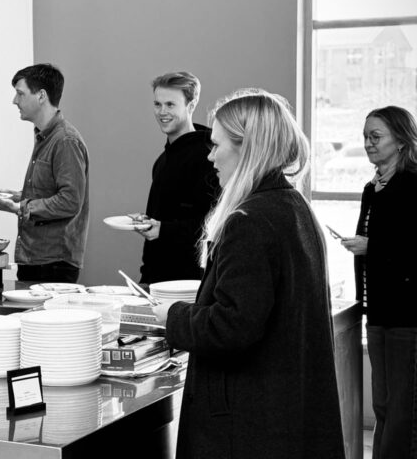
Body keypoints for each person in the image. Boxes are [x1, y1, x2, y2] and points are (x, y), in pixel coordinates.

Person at [153, 89, 345, 458]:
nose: (210, 157)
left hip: (248, 422)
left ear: (248, 149)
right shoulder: (293, 205)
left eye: (216, 145)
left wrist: (172, 316)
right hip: (285, 412)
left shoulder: (250, 221)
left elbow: (232, 326)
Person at [340, 105, 417, 459]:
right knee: (383, 404)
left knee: (402, 408)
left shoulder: (412, 184)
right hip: (379, 309)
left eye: (376, 136)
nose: (368, 143)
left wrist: (372, 246)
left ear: (401, 141)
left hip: (407, 312)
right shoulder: (372, 188)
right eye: (365, 137)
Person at [0, 63, 89, 283]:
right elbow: (48, 192)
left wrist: (21, 207)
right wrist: (15, 197)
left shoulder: (65, 140)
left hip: (53, 263)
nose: (15, 101)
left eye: (20, 94)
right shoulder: (46, 137)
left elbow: (70, 201)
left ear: (41, 96)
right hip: (35, 259)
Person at [135, 72, 219, 285]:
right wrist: (149, 223)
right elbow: (169, 217)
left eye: (170, 104)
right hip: (155, 279)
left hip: (189, 283)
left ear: (191, 105)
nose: (162, 112)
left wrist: (163, 229)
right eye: (157, 104)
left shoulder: (209, 158)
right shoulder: (163, 160)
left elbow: (213, 225)